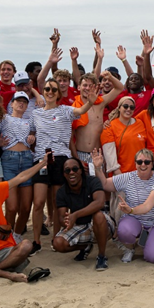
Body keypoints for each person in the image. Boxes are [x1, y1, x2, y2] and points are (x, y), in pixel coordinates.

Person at [29, 78, 95, 254]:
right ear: (43, 91)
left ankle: (56, 237)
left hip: (60, 159)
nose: (50, 92)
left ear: (58, 93)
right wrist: (30, 138)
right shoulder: (35, 113)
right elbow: (31, 133)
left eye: (54, 89)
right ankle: (36, 241)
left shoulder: (65, 110)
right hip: (41, 159)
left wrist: (90, 102)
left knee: (57, 201)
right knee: (38, 202)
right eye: (47, 89)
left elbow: (81, 110)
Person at [90, 149, 154, 263]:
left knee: (153, 257)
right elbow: (104, 184)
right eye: (139, 162)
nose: (143, 165)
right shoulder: (128, 177)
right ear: (135, 163)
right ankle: (129, 248)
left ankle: (150, 241)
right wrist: (98, 168)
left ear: (152, 164)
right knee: (125, 231)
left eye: (147, 162)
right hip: (133, 218)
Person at [51, 157, 114, 271]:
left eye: (75, 169)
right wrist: (66, 222)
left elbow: (100, 202)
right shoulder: (61, 191)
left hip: (104, 225)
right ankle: (85, 246)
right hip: (81, 226)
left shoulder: (92, 181)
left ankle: (101, 256)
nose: (71, 172)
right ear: (64, 174)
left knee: (98, 215)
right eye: (67, 170)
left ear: (81, 170)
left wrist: (75, 215)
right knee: (58, 243)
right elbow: (61, 216)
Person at [0, 91, 36, 234]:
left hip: (27, 159)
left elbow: (35, 137)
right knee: (12, 207)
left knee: (26, 207)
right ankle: (7, 236)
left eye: (25, 102)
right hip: (9, 160)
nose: (21, 103)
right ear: (11, 104)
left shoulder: (30, 121)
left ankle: (17, 235)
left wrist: (32, 138)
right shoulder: (4, 118)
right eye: (18, 101)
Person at [101, 96, 154, 175]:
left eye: (132, 107)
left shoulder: (140, 123)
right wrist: (119, 175)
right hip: (121, 174)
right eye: (125, 106)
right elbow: (109, 155)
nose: (128, 109)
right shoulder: (109, 127)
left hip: (141, 173)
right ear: (119, 108)